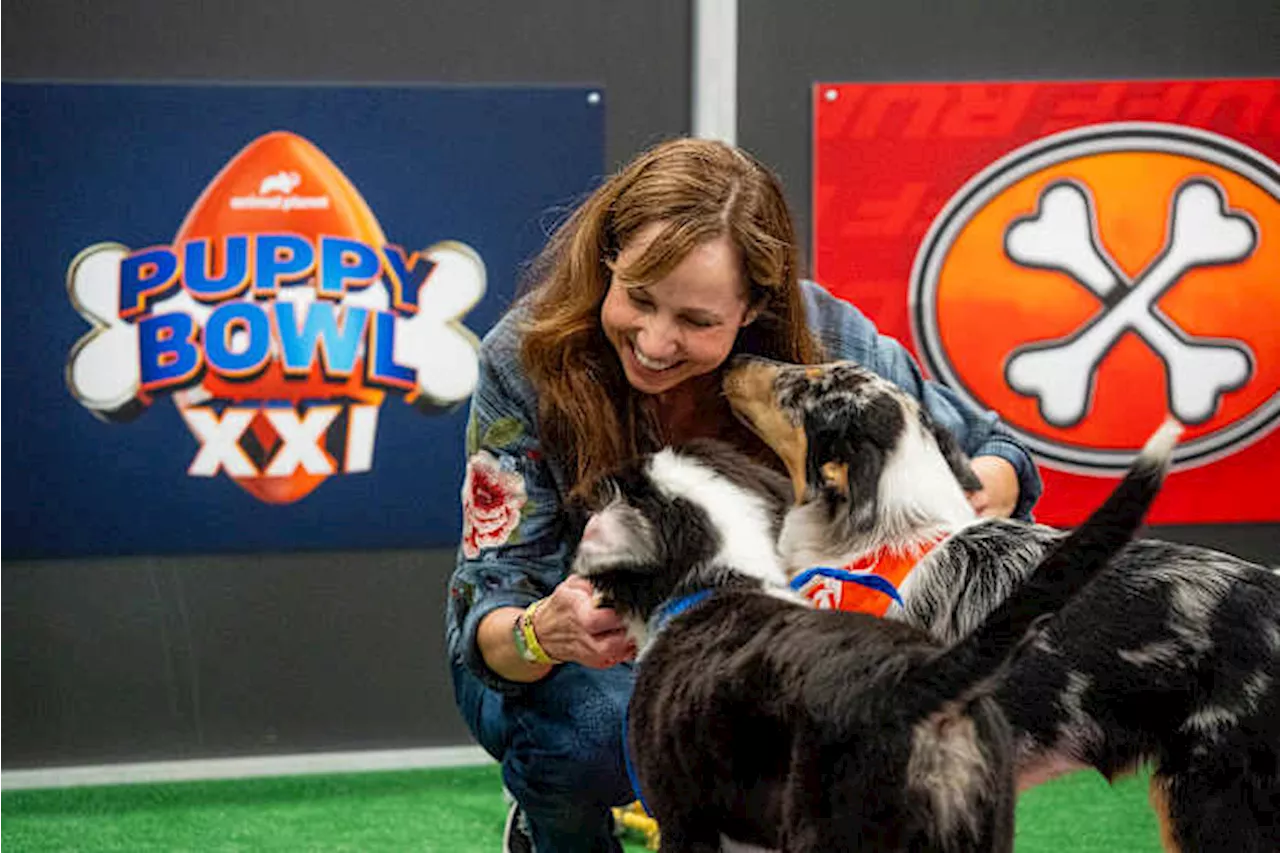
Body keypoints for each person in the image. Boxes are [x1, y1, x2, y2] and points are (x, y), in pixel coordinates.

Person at [446, 137, 1042, 853]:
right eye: (639, 298)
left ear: (757, 305)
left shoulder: (827, 337)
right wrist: (544, 629)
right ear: (607, 257)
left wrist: (972, 495)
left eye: (698, 321)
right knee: (590, 733)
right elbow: (486, 609)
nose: (657, 342)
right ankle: (552, 828)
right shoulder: (525, 357)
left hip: (774, 645)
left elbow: (998, 452)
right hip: (589, 665)